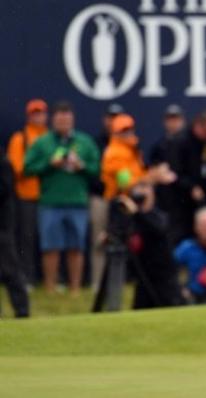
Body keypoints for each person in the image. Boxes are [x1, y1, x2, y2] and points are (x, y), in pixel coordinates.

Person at [23, 101, 100, 295]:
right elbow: (27, 168)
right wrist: (50, 164)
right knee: (51, 247)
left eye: (67, 120)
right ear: (53, 120)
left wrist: (81, 166)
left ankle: (74, 289)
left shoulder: (84, 141)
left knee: (76, 247)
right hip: (50, 201)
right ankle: (50, 288)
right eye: (60, 120)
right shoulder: (43, 142)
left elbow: (97, 169)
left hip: (77, 201)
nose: (63, 123)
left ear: (72, 120)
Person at [104, 181, 183, 309]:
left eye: (144, 187)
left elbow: (158, 229)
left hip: (163, 279)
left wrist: (136, 212)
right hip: (143, 278)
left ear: (152, 193)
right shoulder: (132, 218)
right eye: (137, 188)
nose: (140, 192)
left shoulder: (159, 216)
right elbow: (122, 233)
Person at [6, 99, 49, 286]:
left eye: (41, 112)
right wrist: (44, 165)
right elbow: (17, 168)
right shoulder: (20, 138)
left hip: (49, 196)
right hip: (27, 196)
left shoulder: (51, 137)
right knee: (27, 239)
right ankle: (27, 278)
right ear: (28, 115)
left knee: (48, 241)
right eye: (34, 113)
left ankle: (48, 279)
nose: (38, 116)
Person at [169, 109, 206, 242]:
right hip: (180, 202)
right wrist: (191, 187)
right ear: (198, 125)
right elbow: (174, 172)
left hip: (201, 200)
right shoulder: (180, 141)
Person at [88, 103, 123, 290]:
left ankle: (117, 281)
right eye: (111, 117)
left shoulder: (127, 143)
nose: (114, 121)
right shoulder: (97, 143)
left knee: (120, 241)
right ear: (105, 120)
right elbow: (93, 171)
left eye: (117, 117)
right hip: (101, 198)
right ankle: (97, 282)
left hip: (120, 199)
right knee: (99, 240)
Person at [148, 104, 187, 247]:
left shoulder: (189, 143)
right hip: (164, 199)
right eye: (170, 119)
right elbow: (151, 170)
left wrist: (177, 178)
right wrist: (159, 175)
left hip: (185, 200)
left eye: (176, 119)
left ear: (182, 120)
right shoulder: (159, 146)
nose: (173, 123)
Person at [0, 147, 30, 318]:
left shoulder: (3, 163)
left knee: (10, 270)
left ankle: (22, 311)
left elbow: (4, 190)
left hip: (2, 227)